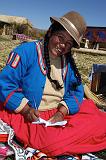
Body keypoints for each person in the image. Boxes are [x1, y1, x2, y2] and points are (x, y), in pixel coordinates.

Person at [0, 11, 106, 158]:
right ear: (50, 32)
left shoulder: (68, 63)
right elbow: (5, 84)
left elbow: (76, 92)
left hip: (58, 113)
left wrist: (61, 112)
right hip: (31, 113)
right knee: (51, 142)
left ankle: (68, 138)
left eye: (69, 44)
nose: (62, 45)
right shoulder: (25, 52)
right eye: (60, 38)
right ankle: (65, 140)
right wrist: (25, 110)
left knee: (101, 121)